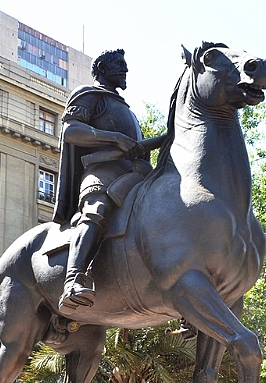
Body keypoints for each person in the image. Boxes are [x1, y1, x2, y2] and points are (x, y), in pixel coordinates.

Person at [53, 48, 166, 315]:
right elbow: (71, 130)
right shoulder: (89, 96)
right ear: (102, 68)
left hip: (137, 172)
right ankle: (73, 280)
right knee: (97, 210)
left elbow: (136, 147)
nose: (125, 71)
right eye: (119, 65)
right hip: (103, 171)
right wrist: (114, 138)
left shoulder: (125, 108)